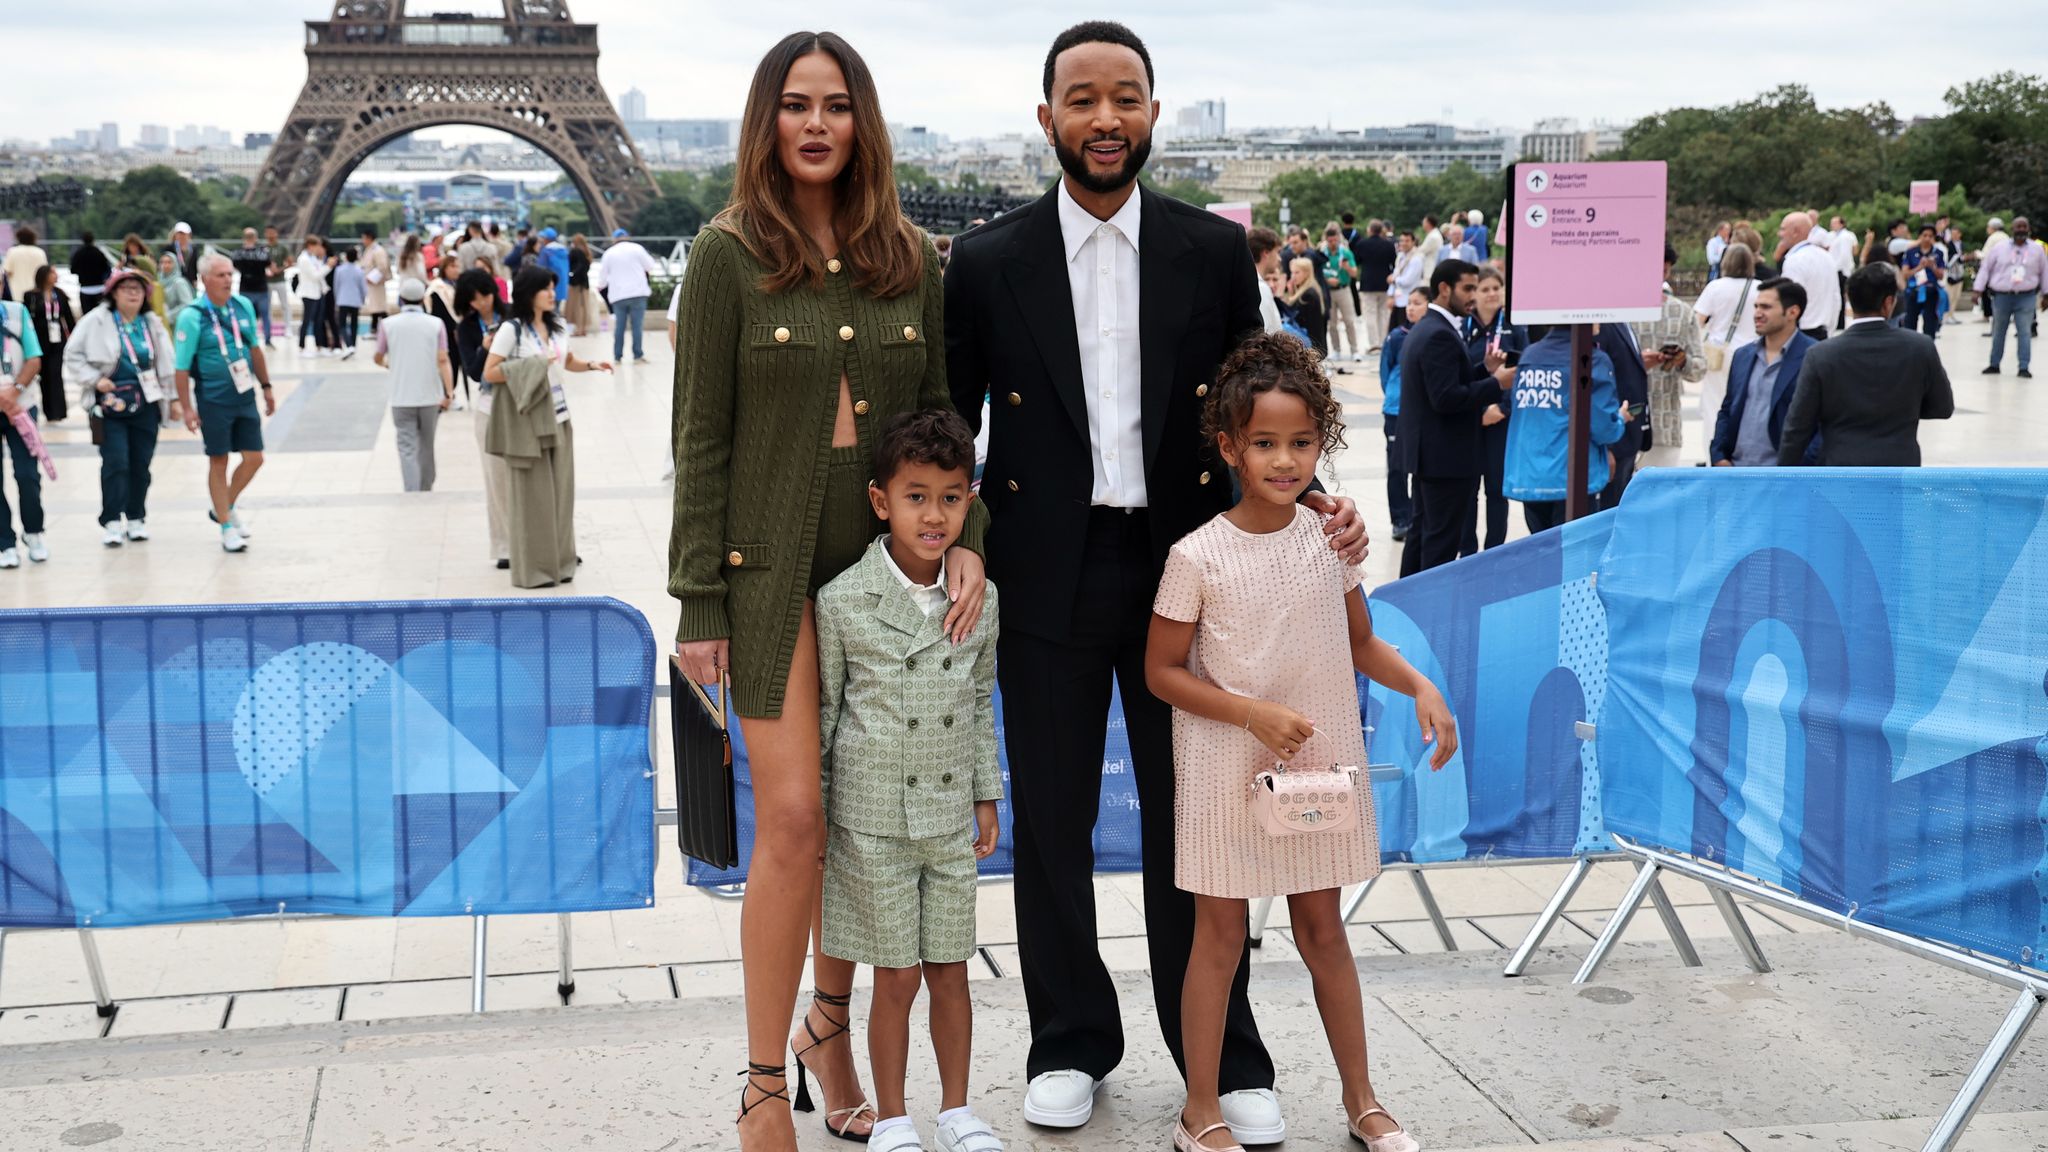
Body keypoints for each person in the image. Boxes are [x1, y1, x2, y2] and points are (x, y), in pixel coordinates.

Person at [942, 20, 1363, 1145]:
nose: (1104, 119)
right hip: (1043, 570)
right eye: (1080, 99)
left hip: (1192, 571)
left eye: (1124, 97)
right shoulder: (986, 263)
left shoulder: (1209, 251)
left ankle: (1222, 1058)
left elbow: (1261, 402)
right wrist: (953, 541)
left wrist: (1317, 497)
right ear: (1045, 120)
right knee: (1053, 826)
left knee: (1208, 826)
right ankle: (1068, 1043)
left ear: (1153, 114)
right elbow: (952, 424)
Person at [671, 32, 983, 1151]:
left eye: (836, 106)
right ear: (766, 121)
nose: (815, 125)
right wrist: (694, 602)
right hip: (764, 583)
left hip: (883, 583)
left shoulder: (908, 254)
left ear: (863, 123)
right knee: (797, 822)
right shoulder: (721, 257)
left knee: (861, 824)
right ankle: (764, 1080)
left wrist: (968, 538)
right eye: (795, 105)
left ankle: (828, 1030)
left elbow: (945, 414)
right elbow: (700, 439)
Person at [1146, 331, 1449, 1152]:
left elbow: (1360, 641)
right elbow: (1162, 672)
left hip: (1315, 767)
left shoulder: (1331, 540)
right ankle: (1199, 1109)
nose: (1285, 460)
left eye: (1302, 442)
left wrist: (1420, 685)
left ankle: (1363, 1100)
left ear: (1325, 440)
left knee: (1325, 931)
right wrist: (1250, 714)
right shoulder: (1195, 555)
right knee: (1217, 939)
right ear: (1229, 447)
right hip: (1224, 766)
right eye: (1266, 443)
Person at [814, 408, 1005, 1152]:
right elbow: (828, 717)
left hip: (950, 816)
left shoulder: (980, 599)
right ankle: (891, 1115)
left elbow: (981, 699)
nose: (934, 514)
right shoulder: (844, 602)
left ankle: (957, 1110)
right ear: (880, 501)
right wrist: (827, 824)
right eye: (917, 495)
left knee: (952, 970)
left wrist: (987, 792)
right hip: (873, 824)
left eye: (952, 496)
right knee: (894, 978)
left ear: (971, 501)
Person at [483, 266, 610, 588]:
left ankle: (561, 562)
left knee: (561, 494)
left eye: (553, 288)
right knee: (532, 497)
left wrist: (592, 365)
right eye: (546, 289)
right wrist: (534, 365)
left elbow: (566, 361)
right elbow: (491, 372)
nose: (553, 293)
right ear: (529, 293)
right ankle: (534, 570)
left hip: (560, 417)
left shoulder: (556, 328)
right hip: (528, 422)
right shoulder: (512, 330)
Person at [1778, 263, 1954, 467]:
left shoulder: (1820, 354)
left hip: (1840, 468)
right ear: (1889, 303)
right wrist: (1905, 406)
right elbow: (1943, 407)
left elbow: (1798, 427)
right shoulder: (1920, 347)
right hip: (1899, 466)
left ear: (1848, 300)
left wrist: (1782, 478)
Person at [1398, 258, 1508, 575]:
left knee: (1423, 535)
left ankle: (1407, 606)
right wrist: (1495, 383)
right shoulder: (1438, 334)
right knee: (1440, 543)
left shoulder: (1431, 328)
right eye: (1468, 288)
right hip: (1445, 459)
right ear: (1445, 289)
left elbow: (1444, 381)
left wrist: (1481, 370)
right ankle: (1429, 613)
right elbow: (1445, 398)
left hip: (1432, 457)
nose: (1473, 296)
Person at [173, 253, 274, 553]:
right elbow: (180, 367)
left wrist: (266, 387)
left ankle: (224, 506)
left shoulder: (241, 306)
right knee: (219, 460)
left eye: (230, 274)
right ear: (204, 279)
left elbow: (255, 350)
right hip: (213, 399)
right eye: (220, 275)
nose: (228, 280)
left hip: (244, 395)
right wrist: (187, 407)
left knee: (255, 457)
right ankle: (227, 525)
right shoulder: (192, 316)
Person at [65, 268, 173, 545]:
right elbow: (73, 354)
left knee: (141, 463)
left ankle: (136, 516)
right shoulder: (96, 321)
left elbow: (167, 364)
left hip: (146, 402)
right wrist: (94, 380)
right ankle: (112, 519)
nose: (133, 293)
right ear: (113, 292)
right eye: (126, 288)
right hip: (110, 403)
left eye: (138, 288)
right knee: (116, 462)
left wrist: (173, 399)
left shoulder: (151, 323)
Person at [1504, 324, 1628, 533]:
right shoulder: (1591, 358)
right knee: (1575, 558)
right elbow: (1603, 427)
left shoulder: (1531, 355)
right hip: (1572, 477)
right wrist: (1621, 420)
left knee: (1542, 554)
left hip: (1532, 476)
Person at [1711, 278, 1817, 469]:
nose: (1757, 314)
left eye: (1766, 307)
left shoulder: (1815, 356)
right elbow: (1727, 409)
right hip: (1737, 471)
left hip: (1785, 476)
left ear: (1793, 312)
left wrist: (1800, 466)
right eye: (1756, 306)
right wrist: (1718, 455)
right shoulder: (1743, 355)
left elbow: (1824, 422)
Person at [1461, 267, 1524, 551]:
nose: (1492, 294)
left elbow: (1525, 372)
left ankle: (1495, 552)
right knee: (1468, 491)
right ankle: (1468, 551)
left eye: (1496, 288)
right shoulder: (1464, 327)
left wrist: (1503, 407)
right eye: (1485, 289)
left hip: (1501, 419)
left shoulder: (1514, 326)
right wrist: (1477, 410)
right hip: (1471, 419)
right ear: (1474, 294)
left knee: (1497, 491)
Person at [376, 278, 455, 492]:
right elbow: (443, 359)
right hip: (430, 395)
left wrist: (388, 363)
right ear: (423, 299)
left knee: (406, 446)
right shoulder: (436, 324)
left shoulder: (388, 325)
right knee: (426, 444)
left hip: (401, 396)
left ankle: (411, 489)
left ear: (401, 299)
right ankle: (426, 485)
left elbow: (378, 355)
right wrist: (449, 391)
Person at [454, 268, 510, 566]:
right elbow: (473, 373)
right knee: (495, 478)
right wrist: (484, 348)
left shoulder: (513, 316)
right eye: (476, 301)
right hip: (489, 403)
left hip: (520, 401)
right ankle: (503, 547)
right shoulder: (466, 328)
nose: (483, 304)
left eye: (486, 296)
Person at [1634, 244, 1704, 466]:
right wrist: (1637, 361)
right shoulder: (1619, 310)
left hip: (1666, 420)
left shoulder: (1682, 312)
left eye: (1664, 271)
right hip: (1623, 420)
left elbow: (1699, 368)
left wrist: (1682, 360)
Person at [1692, 242, 1761, 452]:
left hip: (1719, 354)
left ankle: (1713, 454)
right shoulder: (1760, 287)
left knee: (1714, 407)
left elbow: (1697, 322)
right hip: (1752, 353)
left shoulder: (1716, 287)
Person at [0, 290, 48, 568]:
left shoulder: (16, 312)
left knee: (27, 474)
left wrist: (14, 392)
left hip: (20, 404)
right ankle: (5, 541)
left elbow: (34, 358)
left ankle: (34, 532)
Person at [1379, 287, 1427, 542]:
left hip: (1421, 413)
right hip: (1396, 412)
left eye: (1417, 303)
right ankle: (1400, 519)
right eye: (1409, 303)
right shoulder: (1396, 336)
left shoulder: (1433, 335)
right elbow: (1385, 372)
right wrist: (1395, 397)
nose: (1410, 308)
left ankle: (1419, 516)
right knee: (1397, 468)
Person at [1975, 216, 2043, 378]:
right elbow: (1986, 269)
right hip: (2001, 296)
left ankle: (2024, 367)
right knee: (1998, 331)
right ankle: (1994, 364)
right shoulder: (1999, 248)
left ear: (2028, 229)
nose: (2021, 229)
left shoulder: (2037, 249)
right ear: (2012, 229)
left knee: (2024, 332)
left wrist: (2046, 294)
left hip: (2026, 297)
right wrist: (1977, 289)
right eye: (2017, 227)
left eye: (2024, 226)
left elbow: (2044, 272)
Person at [598, 228, 659, 363]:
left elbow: (602, 279)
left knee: (620, 326)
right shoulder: (637, 248)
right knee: (637, 326)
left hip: (618, 295)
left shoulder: (608, 253)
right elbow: (650, 266)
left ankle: (617, 356)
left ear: (614, 239)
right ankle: (637, 355)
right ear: (627, 237)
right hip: (638, 293)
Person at [1777, 213, 1839, 343]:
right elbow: (1835, 298)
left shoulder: (1794, 260)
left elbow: (1790, 300)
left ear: (1795, 232)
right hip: (1824, 332)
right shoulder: (1826, 257)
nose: (1779, 234)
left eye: (1783, 229)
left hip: (1801, 333)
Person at [24, 265, 73, 421]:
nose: (55, 275)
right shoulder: (31, 296)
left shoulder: (60, 294)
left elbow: (69, 319)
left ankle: (59, 412)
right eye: (52, 273)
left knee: (55, 374)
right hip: (39, 341)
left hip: (57, 341)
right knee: (44, 376)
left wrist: (74, 337)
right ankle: (48, 411)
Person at [1318, 224, 1361, 361]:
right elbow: (1318, 273)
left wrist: (1347, 267)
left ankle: (1354, 350)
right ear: (1326, 240)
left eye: (1335, 240)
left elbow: (1354, 273)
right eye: (1330, 241)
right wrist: (1327, 280)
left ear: (1338, 239)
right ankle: (1336, 349)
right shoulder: (1322, 253)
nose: (1333, 243)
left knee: (1349, 320)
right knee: (1332, 323)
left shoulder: (1346, 253)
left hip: (1344, 289)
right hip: (1328, 291)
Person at [229, 228, 277, 348]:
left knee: (246, 316)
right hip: (261, 288)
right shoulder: (263, 253)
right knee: (265, 316)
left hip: (245, 288)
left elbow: (232, 268)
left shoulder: (238, 253)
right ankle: (267, 340)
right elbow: (272, 268)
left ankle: (248, 339)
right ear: (255, 238)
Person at [1353, 221, 1397, 353]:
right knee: (1383, 314)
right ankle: (1383, 342)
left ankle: (1374, 344)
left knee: (1370, 314)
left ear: (1370, 230)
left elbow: (1357, 261)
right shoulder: (1388, 245)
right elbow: (1393, 262)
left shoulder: (1362, 244)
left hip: (1368, 283)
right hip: (1384, 282)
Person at [1898, 225, 1947, 339]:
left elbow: (1941, 275)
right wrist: (1919, 267)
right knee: (1910, 321)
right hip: (1913, 290)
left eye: (1930, 236)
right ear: (1920, 236)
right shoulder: (1911, 252)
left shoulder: (1938, 253)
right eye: (1924, 235)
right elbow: (1905, 273)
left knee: (1930, 322)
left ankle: (1928, 346)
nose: (1927, 238)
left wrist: (1932, 266)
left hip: (1931, 290)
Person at [1278, 256, 1327, 355]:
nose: (1293, 276)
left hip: (1312, 345)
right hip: (1313, 343)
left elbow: (1296, 319)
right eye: (1292, 272)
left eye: (1297, 272)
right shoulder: (1306, 290)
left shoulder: (1308, 294)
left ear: (1307, 273)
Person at [294, 237, 331, 355]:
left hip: (317, 292)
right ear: (310, 245)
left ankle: (319, 345)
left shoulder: (313, 258)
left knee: (318, 321)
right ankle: (302, 346)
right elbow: (316, 275)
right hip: (308, 293)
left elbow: (319, 273)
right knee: (306, 320)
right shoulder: (304, 259)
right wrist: (328, 266)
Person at [1247, 226, 1284, 334]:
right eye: (1277, 252)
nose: (1279, 258)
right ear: (1266, 253)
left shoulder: (1252, 283)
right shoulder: (1260, 288)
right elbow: (1265, 335)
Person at [332, 246, 368, 357]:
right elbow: (363, 288)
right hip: (355, 300)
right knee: (354, 324)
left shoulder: (339, 270)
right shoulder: (359, 271)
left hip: (343, 300)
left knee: (342, 324)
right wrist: (362, 299)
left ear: (346, 257)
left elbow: (336, 286)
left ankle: (348, 345)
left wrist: (337, 299)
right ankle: (353, 345)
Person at [1386, 231, 1421, 338]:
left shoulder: (1417, 259)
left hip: (1408, 300)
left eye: (1407, 241)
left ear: (1413, 242)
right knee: (1393, 332)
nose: (1404, 243)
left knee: (1405, 333)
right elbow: (1396, 274)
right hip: (1398, 300)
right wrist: (1391, 295)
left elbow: (1408, 280)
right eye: (1402, 241)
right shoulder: (1400, 257)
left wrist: (1394, 280)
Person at [359, 228, 393, 336]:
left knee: (379, 306)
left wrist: (371, 278)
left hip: (376, 283)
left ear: (369, 238)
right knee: (375, 306)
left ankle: (382, 328)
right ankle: (375, 329)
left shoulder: (378, 250)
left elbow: (382, 267)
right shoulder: (370, 249)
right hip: (371, 283)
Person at [4, 227, 49, 303]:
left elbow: (7, 272)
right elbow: (44, 273)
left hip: (16, 293)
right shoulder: (40, 252)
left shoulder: (12, 252)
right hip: (36, 293)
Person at [71, 231, 113, 313]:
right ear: (93, 240)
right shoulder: (99, 253)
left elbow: (73, 270)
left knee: (87, 318)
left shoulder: (78, 254)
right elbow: (107, 269)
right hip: (99, 289)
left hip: (85, 289)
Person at [1828, 215, 1857, 328]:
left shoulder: (1845, 237)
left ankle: (1840, 323)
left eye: (1834, 223)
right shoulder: (1833, 236)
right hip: (1837, 269)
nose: (1832, 225)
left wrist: (1833, 268)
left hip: (1840, 270)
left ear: (1841, 224)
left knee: (1840, 296)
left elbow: (1844, 256)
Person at [565, 233, 596, 336]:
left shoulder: (575, 252)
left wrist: (571, 274)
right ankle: (583, 329)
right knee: (584, 306)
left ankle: (578, 329)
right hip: (585, 283)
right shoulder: (587, 253)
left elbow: (575, 266)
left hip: (576, 284)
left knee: (576, 307)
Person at [157, 252, 196, 327]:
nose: (165, 265)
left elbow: (187, 304)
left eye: (169, 262)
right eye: (162, 262)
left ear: (175, 264)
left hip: (178, 324)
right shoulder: (159, 282)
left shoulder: (179, 282)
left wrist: (168, 317)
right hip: (163, 324)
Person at [537, 228, 572, 306]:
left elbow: (540, 268)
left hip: (549, 285)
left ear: (546, 239)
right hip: (562, 284)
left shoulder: (546, 251)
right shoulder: (564, 250)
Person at [1416, 214, 1442, 279]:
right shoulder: (1433, 234)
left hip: (1430, 268)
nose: (1422, 224)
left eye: (1424, 222)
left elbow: (1422, 251)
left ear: (1428, 223)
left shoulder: (1433, 237)